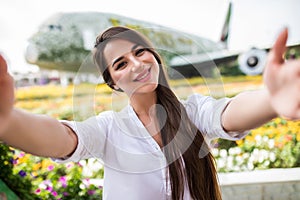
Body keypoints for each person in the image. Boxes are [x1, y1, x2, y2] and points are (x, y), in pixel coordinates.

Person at [0, 26, 299, 200]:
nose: (137, 64)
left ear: (154, 56)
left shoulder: (193, 112)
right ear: (112, 83)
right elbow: (65, 139)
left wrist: (270, 101)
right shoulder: (109, 130)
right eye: (120, 64)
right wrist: (8, 122)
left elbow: (228, 114)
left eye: (140, 52)